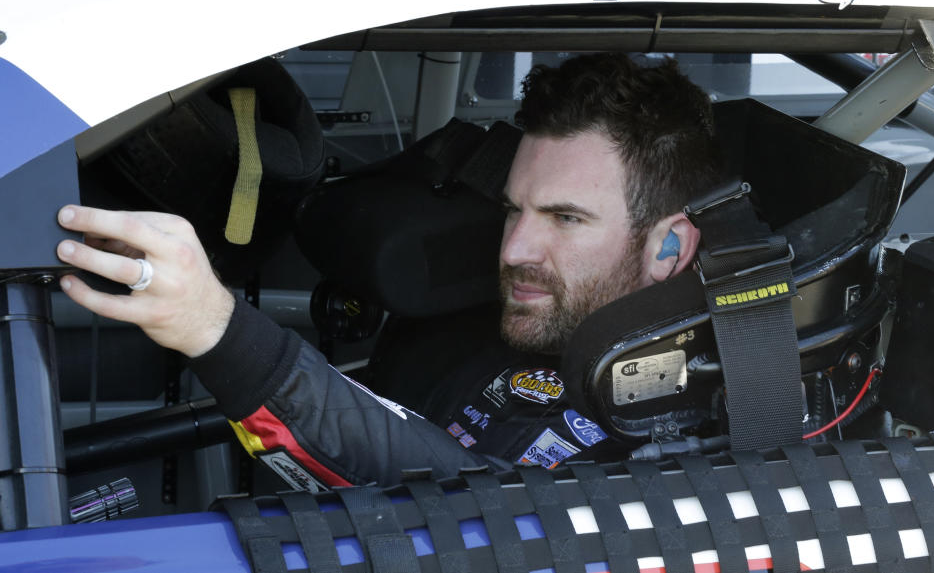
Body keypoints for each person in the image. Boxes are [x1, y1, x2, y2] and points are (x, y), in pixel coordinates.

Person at [56, 53, 721, 488]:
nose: (514, 247)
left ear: (668, 248)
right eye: (513, 209)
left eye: (565, 218)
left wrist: (218, 328)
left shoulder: (682, 420)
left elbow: (488, 516)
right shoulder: (525, 328)